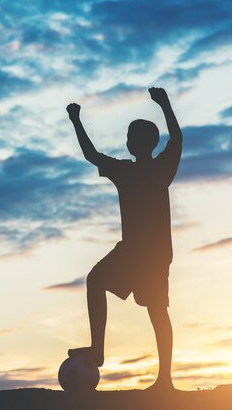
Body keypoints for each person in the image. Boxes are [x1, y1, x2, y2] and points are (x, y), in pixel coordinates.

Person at [66, 87, 182, 390]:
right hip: (133, 251)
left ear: (142, 142)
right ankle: (98, 350)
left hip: (154, 255)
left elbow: (177, 140)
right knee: (96, 280)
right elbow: (92, 155)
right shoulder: (131, 170)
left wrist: (76, 120)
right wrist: (76, 121)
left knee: (157, 310)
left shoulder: (159, 168)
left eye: (131, 136)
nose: (127, 140)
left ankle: (165, 380)